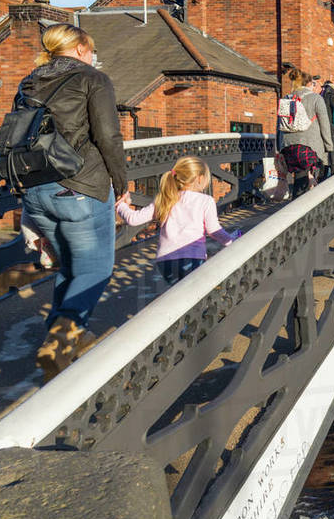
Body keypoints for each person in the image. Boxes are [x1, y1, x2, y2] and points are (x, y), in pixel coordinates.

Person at [16, 23, 128, 379]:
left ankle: (71, 337)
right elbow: (108, 136)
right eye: (90, 49)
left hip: (36, 191)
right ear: (80, 48)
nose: (92, 55)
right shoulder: (93, 79)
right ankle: (63, 333)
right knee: (95, 270)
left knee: (69, 268)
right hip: (81, 188)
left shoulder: (29, 81)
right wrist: (121, 183)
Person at [115, 156, 238, 285]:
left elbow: (133, 219)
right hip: (192, 258)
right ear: (200, 178)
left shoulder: (166, 198)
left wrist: (121, 205)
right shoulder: (205, 201)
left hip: (165, 262)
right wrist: (232, 242)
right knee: (194, 297)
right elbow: (214, 230)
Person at [279, 69, 333, 196]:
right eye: (313, 83)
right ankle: (299, 209)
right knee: (305, 182)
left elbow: (280, 125)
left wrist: (280, 147)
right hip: (309, 146)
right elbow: (324, 125)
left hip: (288, 147)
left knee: (300, 177)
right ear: (309, 84)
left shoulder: (286, 98)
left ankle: (299, 203)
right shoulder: (316, 98)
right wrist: (329, 147)